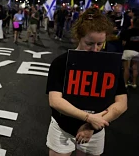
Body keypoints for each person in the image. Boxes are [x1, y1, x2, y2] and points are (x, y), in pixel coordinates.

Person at [46, 8, 128, 156]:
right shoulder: (61, 62)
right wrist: (89, 118)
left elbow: (122, 103)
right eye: (89, 43)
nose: (95, 49)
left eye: (100, 44)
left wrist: (92, 125)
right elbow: (55, 101)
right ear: (78, 37)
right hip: (63, 127)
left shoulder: (111, 65)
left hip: (94, 131)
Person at [120, 16, 139, 88]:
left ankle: (125, 84)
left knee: (126, 68)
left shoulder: (128, 31)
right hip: (137, 51)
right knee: (135, 68)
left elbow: (123, 42)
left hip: (128, 50)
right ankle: (134, 83)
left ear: (133, 23)